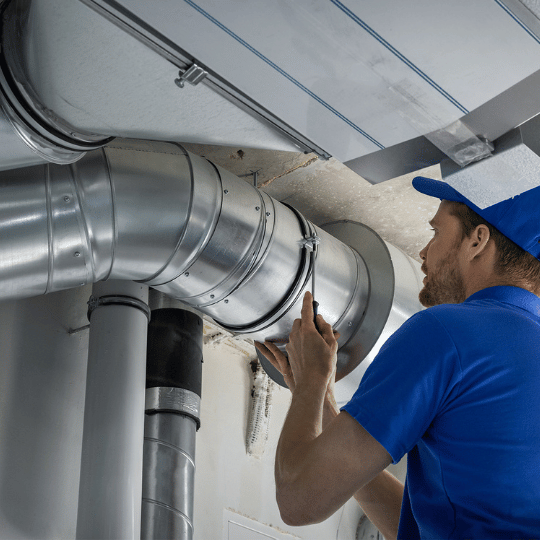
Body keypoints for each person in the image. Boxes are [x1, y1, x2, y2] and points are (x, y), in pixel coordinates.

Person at [255, 176, 540, 539]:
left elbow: (300, 500)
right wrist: (322, 408)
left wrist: (311, 381)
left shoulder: (448, 332)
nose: (424, 252)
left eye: (436, 232)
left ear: (477, 240)